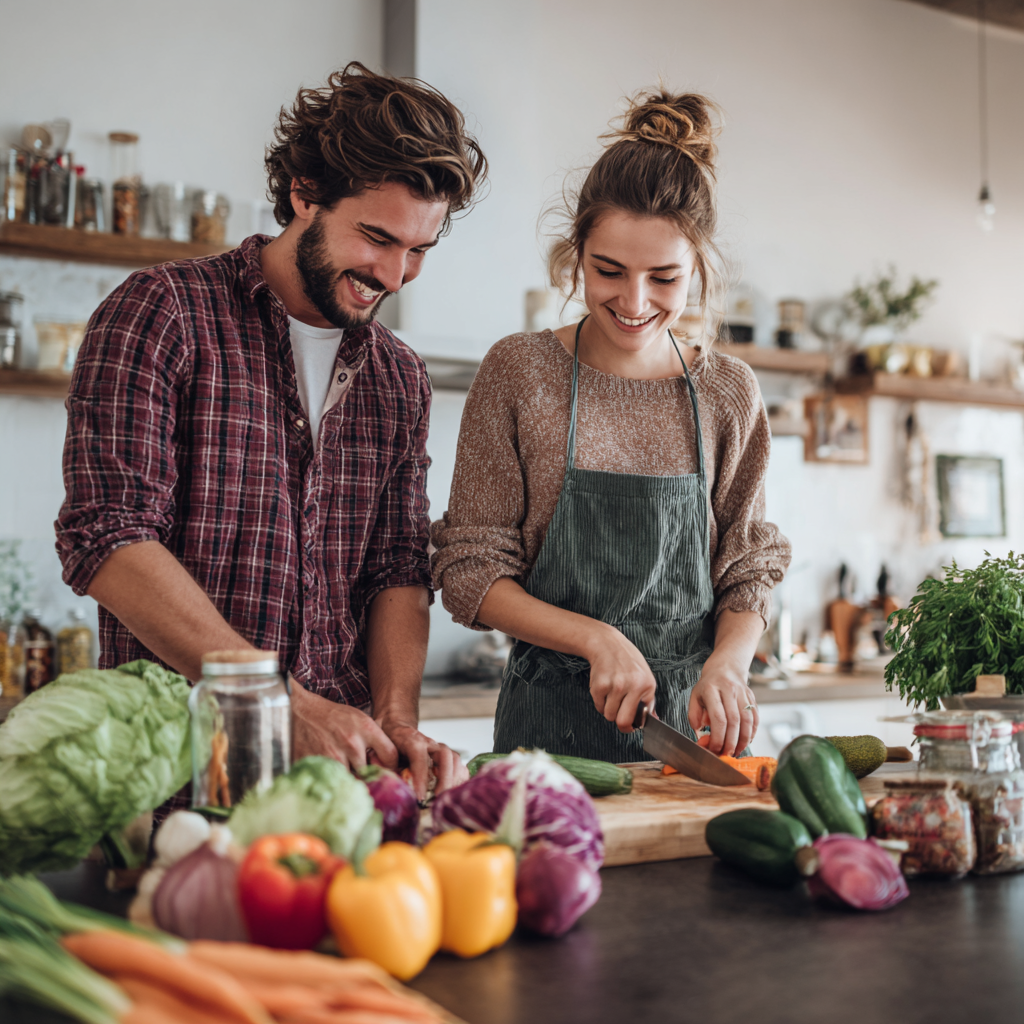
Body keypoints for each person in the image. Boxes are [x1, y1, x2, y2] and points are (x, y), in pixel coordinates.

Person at [55, 63, 487, 799]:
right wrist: (275, 699)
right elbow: (108, 538)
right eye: (377, 237)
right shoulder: (163, 314)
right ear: (304, 193)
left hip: (341, 793)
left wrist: (397, 719)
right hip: (177, 780)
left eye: (420, 249)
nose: (396, 273)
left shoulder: (399, 379)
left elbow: (398, 569)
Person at [431, 88, 791, 763]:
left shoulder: (727, 391)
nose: (634, 302)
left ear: (699, 269)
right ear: (576, 253)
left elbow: (746, 569)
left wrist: (731, 664)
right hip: (548, 740)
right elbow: (471, 572)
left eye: (664, 278)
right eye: (609, 271)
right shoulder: (520, 372)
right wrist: (596, 639)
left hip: (692, 739)